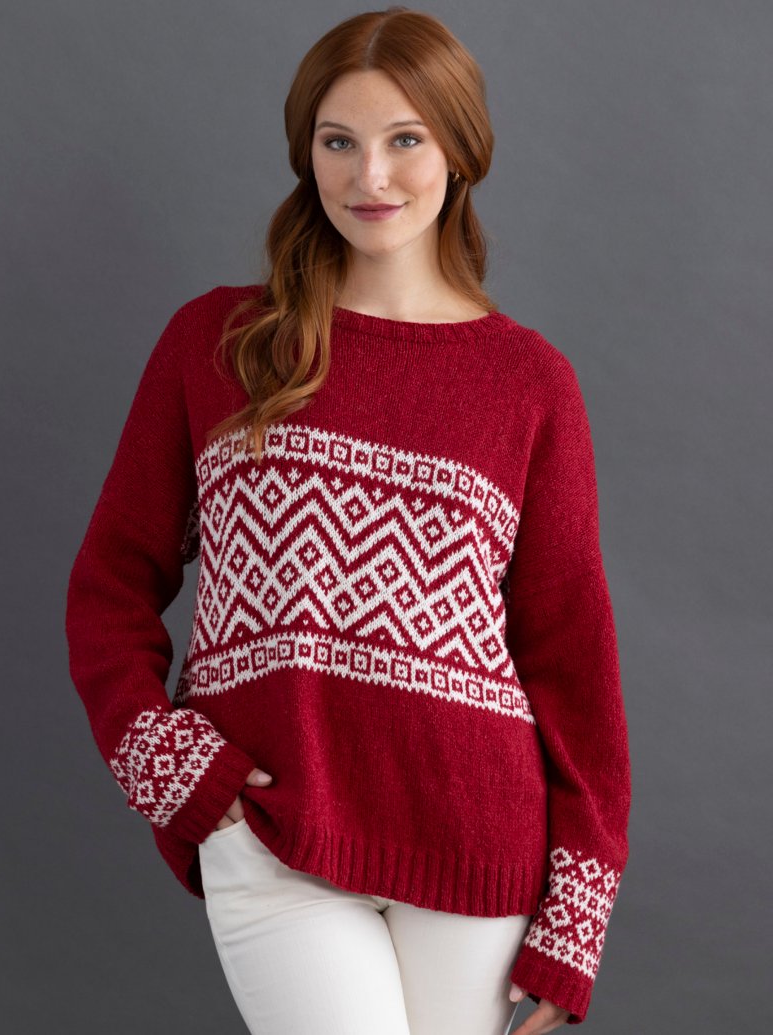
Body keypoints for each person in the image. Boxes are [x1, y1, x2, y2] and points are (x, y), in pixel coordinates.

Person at [65, 7, 632, 1033]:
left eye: (405, 139)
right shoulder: (219, 343)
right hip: (272, 828)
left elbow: (571, 660)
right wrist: (171, 763)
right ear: (306, 154)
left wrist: (577, 908)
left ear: (459, 151)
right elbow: (111, 582)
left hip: (476, 845)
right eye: (339, 142)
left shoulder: (530, 384)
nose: (370, 176)